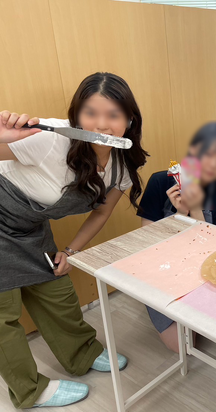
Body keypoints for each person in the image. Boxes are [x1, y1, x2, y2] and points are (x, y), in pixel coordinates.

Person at [0, 72, 148, 408]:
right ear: (76, 115)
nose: (102, 124)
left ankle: (83, 354)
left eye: (113, 114)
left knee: (58, 294)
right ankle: (30, 391)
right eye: (90, 113)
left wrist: (71, 251)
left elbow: (100, 213)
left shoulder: (121, 166)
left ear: (129, 119)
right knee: (2, 317)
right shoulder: (49, 138)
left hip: (30, 225)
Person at [138, 122, 216, 352]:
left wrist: (195, 209)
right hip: (161, 270)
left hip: (200, 267)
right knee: (182, 346)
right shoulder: (160, 182)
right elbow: (147, 243)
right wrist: (180, 215)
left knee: (214, 328)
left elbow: (211, 246)